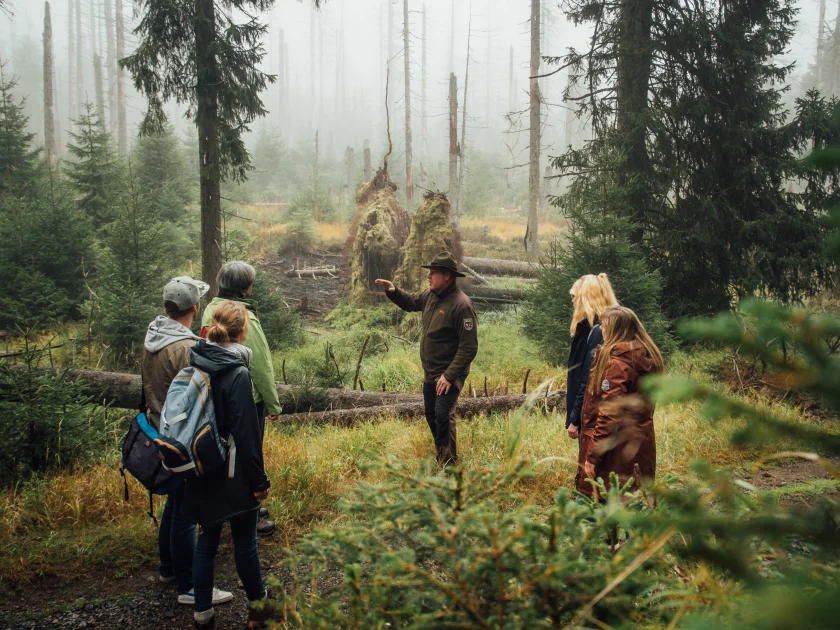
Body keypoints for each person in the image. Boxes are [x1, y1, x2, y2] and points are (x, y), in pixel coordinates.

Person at [140, 276, 233, 608]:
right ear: (195, 307)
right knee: (185, 513)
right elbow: (201, 386)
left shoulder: (155, 335)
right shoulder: (183, 347)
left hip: (159, 430)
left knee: (175, 503)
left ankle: (169, 567)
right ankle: (189, 586)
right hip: (182, 438)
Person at [184, 300, 273, 630]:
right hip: (233, 473)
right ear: (243, 332)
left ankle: (202, 613)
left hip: (202, 467)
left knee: (206, 540)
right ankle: (260, 610)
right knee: (245, 543)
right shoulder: (237, 373)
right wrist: (260, 481)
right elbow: (247, 435)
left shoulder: (197, 359)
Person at [375, 252, 478, 466]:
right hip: (431, 372)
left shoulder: (462, 305)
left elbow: (469, 347)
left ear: (447, 276)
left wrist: (449, 376)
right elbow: (412, 301)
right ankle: (442, 456)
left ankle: (449, 465)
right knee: (431, 415)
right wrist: (393, 291)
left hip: (449, 374)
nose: (429, 276)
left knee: (442, 414)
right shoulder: (431, 295)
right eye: (429, 272)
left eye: (433, 273)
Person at [200, 261, 278, 536]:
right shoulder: (243, 317)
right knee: (248, 452)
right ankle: (250, 513)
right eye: (251, 283)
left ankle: (230, 507)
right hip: (246, 396)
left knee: (223, 452)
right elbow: (260, 364)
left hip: (213, 394)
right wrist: (273, 401)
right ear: (244, 288)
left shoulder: (210, 309)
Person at [576, 305, 664, 499]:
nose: (601, 329)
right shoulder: (646, 357)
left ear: (617, 330)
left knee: (590, 510)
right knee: (635, 505)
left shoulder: (617, 364)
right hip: (639, 445)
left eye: (605, 325)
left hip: (612, 452)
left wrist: (592, 457)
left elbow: (609, 414)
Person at [565, 273, 619, 443]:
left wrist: (575, 418)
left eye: (575, 297)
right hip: (593, 414)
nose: (572, 301)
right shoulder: (591, 328)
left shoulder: (597, 331)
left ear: (586, 298)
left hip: (592, 416)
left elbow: (588, 378)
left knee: (591, 463)